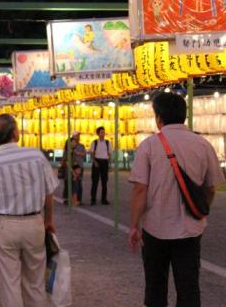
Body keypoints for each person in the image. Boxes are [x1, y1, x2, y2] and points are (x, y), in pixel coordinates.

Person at [128, 93, 223, 307]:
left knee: (155, 287)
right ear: (184, 116)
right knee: (189, 287)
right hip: (190, 229)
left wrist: (134, 226)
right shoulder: (203, 145)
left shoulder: (148, 146)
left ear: (158, 117)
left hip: (155, 229)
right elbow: (210, 188)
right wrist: (199, 210)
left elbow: (140, 190)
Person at [0, 114, 58, 307]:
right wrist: (48, 220)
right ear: (15, 132)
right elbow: (49, 192)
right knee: (35, 279)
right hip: (33, 222)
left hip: (5, 224)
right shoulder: (36, 155)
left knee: (10, 281)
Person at [89, 126, 112, 205]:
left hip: (105, 162)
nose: (103, 133)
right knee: (95, 181)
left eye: (104, 132)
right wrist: (94, 161)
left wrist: (109, 163)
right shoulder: (94, 142)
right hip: (97, 161)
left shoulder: (108, 142)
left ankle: (104, 199)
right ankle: (93, 199)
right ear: (98, 133)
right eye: (101, 132)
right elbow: (91, 153)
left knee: (104, 182)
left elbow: (109, 153)